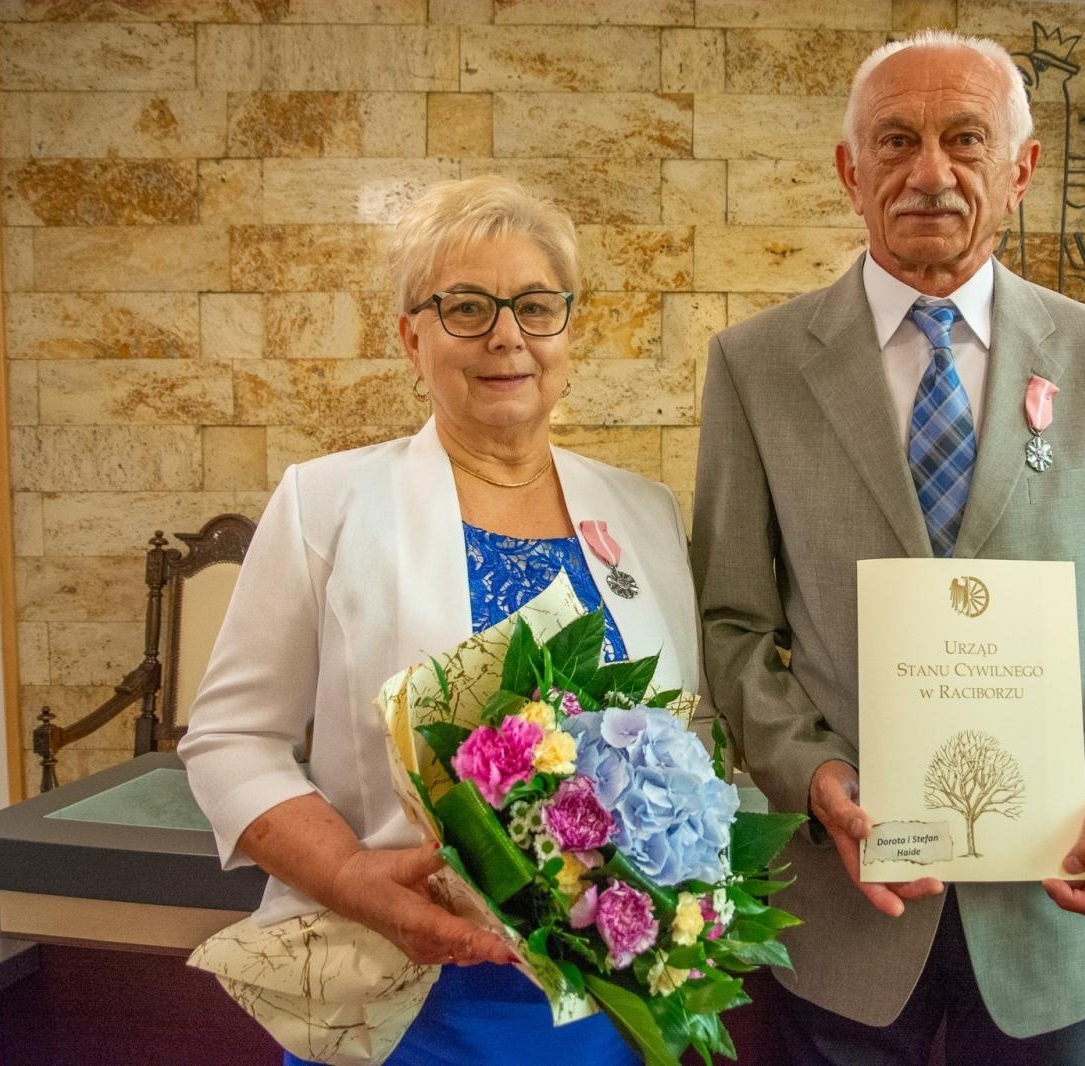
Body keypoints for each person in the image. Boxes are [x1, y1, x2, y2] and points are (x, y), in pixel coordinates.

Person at [690, 29, 1085, 1066]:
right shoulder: (754, 366)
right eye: (895, 141)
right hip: (843, 914)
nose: (930, 173)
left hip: (1044, 914)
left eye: (965, 139)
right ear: (848, 170)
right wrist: (809, 774)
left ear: (1020, 169)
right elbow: (732, 625)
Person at [179, 175, 700, 1065]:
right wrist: (349, 878)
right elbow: (230, 738)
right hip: (396, 993)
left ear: (568, 329)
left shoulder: (644, 514)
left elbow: (694, 735)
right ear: (410, 336)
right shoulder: (326, 502)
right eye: (466, 307)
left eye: (536, 306)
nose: (506, 336)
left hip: (603, 1010)